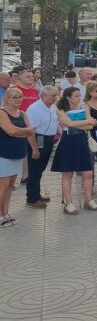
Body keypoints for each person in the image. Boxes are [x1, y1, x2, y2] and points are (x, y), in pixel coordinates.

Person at [51, 86, 97, 214]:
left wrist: (83, 123)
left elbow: (90, 126)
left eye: (79, 95)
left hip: (82, 140)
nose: (78, 98)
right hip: (68, 141)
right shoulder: (61, 108)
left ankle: (88, 200)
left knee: (88, 172)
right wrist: (86, 122)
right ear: (68, 97)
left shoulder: (84, 106)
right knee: (68, 173)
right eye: (76, 96)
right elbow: (69, 124)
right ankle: (69, 203)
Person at [0, 88, 36, 225]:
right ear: (7, 99)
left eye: (20, 97)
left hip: (18, 153)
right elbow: (11, 131)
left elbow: (29, 133)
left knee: (10, 185)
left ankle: (6, 212)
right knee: (3, 185)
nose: (18, 99)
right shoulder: (2, 113)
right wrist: (25, 131)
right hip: (4, 154)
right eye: (14, 97)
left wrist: (33, 148)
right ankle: (0, 215)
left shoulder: (22, 113)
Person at [24, 86, 59, 208]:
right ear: (43, 96)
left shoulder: (52, 107)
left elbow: (55, 122)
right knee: (35, 169)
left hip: (48, 139)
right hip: (39, 138)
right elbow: (30, 131)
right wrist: (34, 148)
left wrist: (61, 133)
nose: (55, 98)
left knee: (40, 169)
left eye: (56, 95)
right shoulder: (35, 108)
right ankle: (32, 198)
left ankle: (36, 194)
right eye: (53, 95)